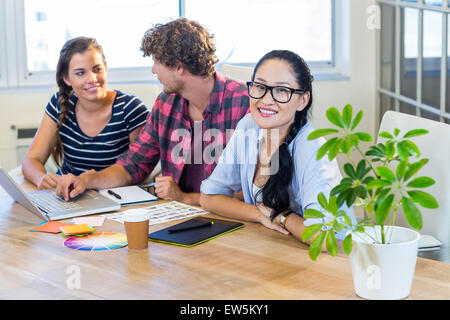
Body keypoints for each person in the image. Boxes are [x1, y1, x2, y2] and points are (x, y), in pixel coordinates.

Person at [56, 18, 249, 205]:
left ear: (178, 66)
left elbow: (258, 187)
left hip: (236, 222)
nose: (153, 70)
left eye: (157, 62)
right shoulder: (166, 104)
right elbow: (133, 166)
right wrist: (87, 180)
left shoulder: (246, 103)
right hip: (180, 215)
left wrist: (186, 198)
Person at [200, 50, 355, 244]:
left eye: (282, 90)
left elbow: (323, 237)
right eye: (259, 86)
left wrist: (280, 216)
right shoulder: (249, 125)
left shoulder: (313, 149)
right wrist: (258, 214)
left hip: (330, 259)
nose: (266, 99)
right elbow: (209, 197)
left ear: (303, 100)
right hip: (273, 247)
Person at [22, 37, 149, 190]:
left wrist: (89, 182)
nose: (92, 79)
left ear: (106, 68)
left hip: (113, 196)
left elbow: (140, 170)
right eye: (80, 73)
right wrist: (40, 178)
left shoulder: (131, 109)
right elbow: (31, 159)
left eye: (97, 69)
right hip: (67, 194)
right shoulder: (60, 103)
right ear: (67, 79)